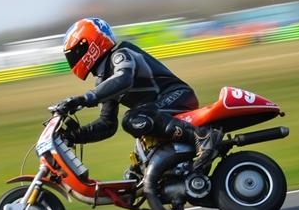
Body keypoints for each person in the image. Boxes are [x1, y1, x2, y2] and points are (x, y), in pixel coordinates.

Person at [56, 17, 222, 173]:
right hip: (155, 109)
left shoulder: (121, 54)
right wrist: (74, 136)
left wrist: (85, 98)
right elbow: (107, 125)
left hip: (177, 95)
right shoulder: (104, 80)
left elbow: (124, 78)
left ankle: (203, 136)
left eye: (75, 52)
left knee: (132, 119)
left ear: (90, 45)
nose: (73, 59)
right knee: (136, 170)